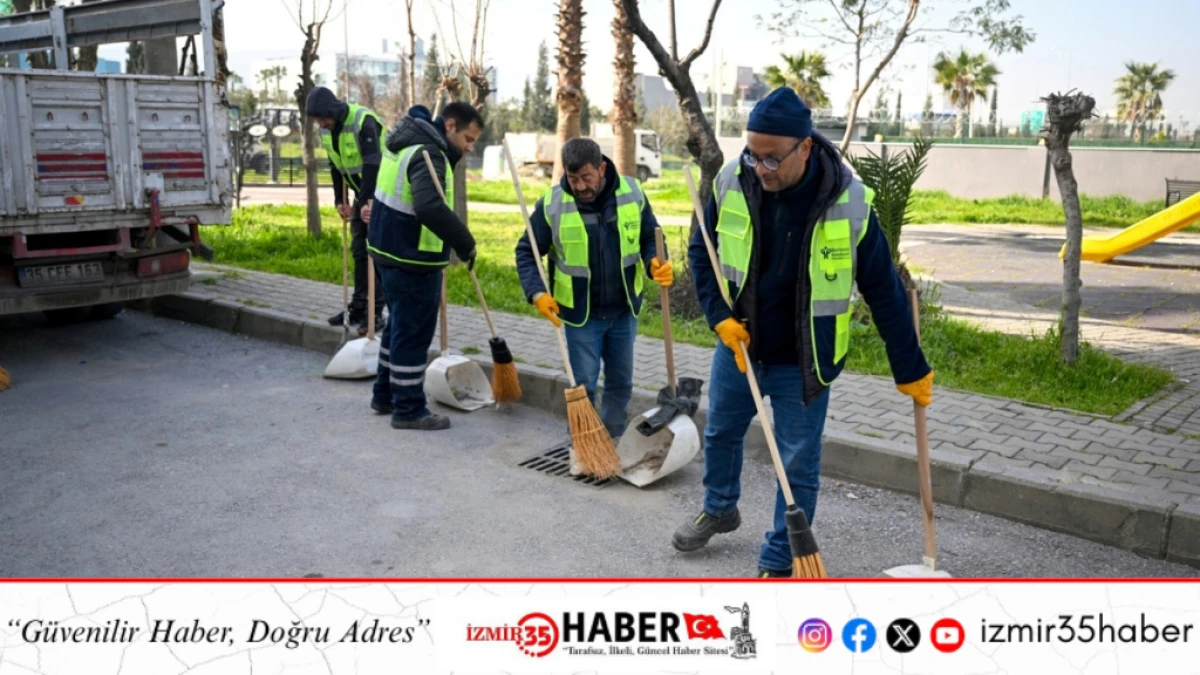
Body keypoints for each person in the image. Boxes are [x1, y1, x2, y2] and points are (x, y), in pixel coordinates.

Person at [673, 87, 934, 577]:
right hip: (740, 346)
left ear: (806, 147)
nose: (761, 168)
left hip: (805, 358)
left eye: (772, 158)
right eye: (753, 155)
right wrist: (718, 317)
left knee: (796, 462)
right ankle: (720, 507)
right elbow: (701, 253)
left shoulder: (849, 202)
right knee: (721, 432)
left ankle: (781, 555)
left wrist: (909, 365)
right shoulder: (733, 180)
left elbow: (883, 288)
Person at [515, 138, 672, 440]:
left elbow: (650, 236)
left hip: (623, 311)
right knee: (583, 385)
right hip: (581, 316)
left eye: (586, 177)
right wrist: (537, 293)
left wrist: (655, 261)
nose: (580, 186)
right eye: (573, 179)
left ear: (601, 168)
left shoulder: (632, 193)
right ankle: (584, 443)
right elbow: (526, 251)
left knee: (621, 383)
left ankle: (612, 438)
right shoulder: (553, 204)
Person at [367, 102, 482, 431]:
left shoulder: (407, 144)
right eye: (468, 139)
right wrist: (465, 242)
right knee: (413, 335)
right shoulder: (429, 153)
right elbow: (429, 207)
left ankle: (385, 394)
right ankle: (408, 409)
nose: (470, 147)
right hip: (411, 259)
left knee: (397, 327)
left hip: (388, 250)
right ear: (450, 125)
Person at [305, 86, 386, 334]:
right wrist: (340, 199)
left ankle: (376, 312)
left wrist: (367, 201)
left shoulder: (363, 121)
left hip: (380, 196)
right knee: (359, 251)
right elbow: (335, 164)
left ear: (332, 110)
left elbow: (373, 162)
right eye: (317, 120)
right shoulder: (327, 130)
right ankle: (358, 307)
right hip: (361, 194)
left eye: (322, 118)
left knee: (376, 254)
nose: (321, 123)